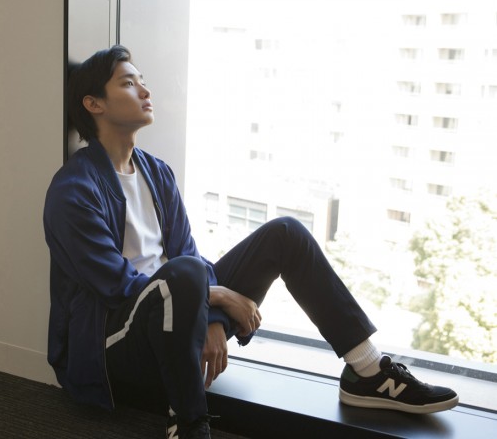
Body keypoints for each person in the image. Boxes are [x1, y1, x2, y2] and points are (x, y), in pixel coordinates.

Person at [43, 45, 459, 439]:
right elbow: (117, 286)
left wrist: (209, 316)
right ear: (94, 104)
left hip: (179, 313)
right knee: (184, 274)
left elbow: (187, 254)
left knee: (285, 234)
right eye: (128, 83)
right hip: (112, 345)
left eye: (142, 81)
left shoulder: (157, 173)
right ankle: (189, 423)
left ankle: (367, 372)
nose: (145, 91)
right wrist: (219, 296)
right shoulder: (73, 190)